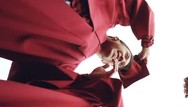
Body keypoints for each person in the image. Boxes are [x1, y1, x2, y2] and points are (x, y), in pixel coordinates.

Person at [0, 0, 155, 87]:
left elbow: (35, 83)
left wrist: (91, 79)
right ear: (116, 39)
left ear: (105, 62)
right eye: (126, 55)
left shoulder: (69, 61)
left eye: (119, 64)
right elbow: (136, 7)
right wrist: (146, 45)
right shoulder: (111, 12)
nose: (121, 59)